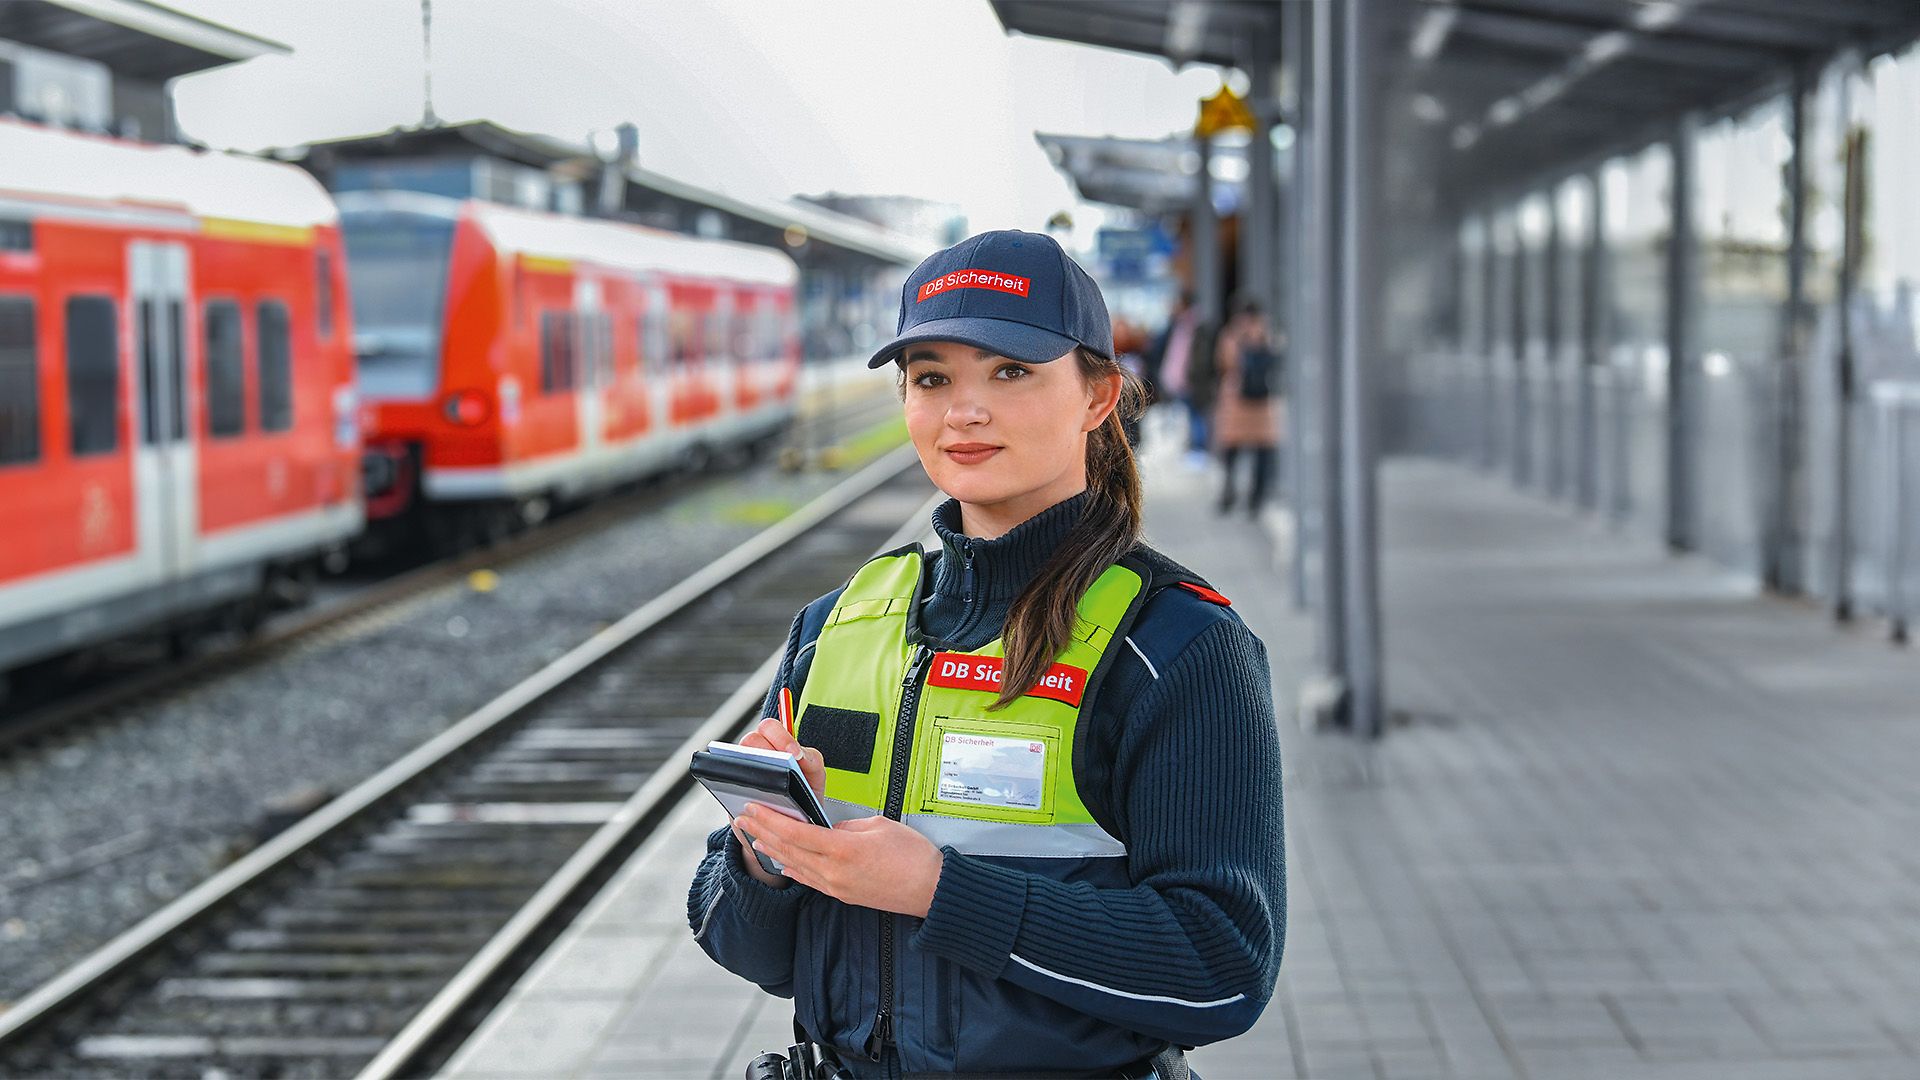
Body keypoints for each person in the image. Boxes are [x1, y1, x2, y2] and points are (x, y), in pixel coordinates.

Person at [688, 230, 1286, 1079]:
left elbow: (1222, 967)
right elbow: (751, 950)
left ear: (1097, 396)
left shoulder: (1176, 647)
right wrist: (765, 856)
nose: (964, 410)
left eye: (1010, 371)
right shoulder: (836, 627)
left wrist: (940, 891)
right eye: (932, 378)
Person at [1209, 296, 1283, 517]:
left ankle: (1235, 493)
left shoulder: (1232, 335)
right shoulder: (1268, 334)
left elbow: (1223, 362)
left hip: (1239, 398)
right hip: (1259, 402)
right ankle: (1253, 498)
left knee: (1236, 450)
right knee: (1257, 449)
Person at [1141, 291, 1218, 469]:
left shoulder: (1197, 327)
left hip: (1192, 383)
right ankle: (1191, 452)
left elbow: (1201, 357)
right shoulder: (1177, 325)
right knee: (1184, 417)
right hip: (1178, 381)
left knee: (1196, 417)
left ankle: (1198, 453)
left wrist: (1193, 377)